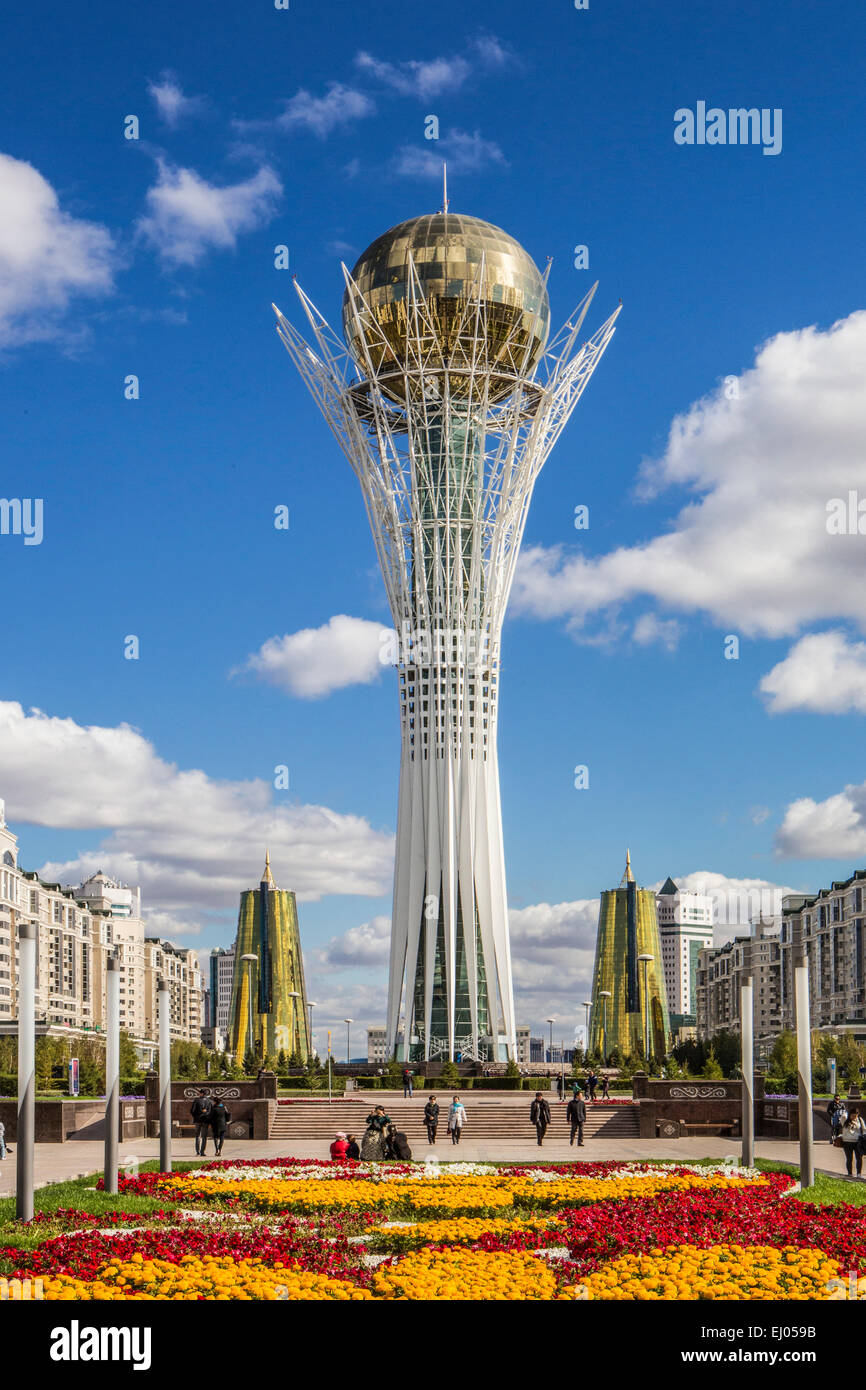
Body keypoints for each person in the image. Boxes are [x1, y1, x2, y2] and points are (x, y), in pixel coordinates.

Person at [841, 1107, 866, 1177]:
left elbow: (864, 1129)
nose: (854, 1117)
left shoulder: (860, 1120)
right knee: (849, 1159)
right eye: (852, 1115)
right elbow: (843, 1116)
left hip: (857, 1142)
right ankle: (850, 1173)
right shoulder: (845, 1119)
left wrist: (863, 1137)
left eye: (855, 1115)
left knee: (859, 1158)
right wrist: (847, 1112)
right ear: (849, 1115)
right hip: (847, 1142)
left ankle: (859, 1173)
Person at [190, 1091, 213, 1156]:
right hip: (205, 1121)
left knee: (197, 1136)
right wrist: (206, 1115)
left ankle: (198, 1151)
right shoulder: (209, 1101)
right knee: (204, 1137)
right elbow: (211, 1111)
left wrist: (196, 1116)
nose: (198, 1094)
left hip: (198, 1120)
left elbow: (192, 1111)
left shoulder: (196, 1100)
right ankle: (202, 1152)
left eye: (199, 1093)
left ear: (202, 1093)